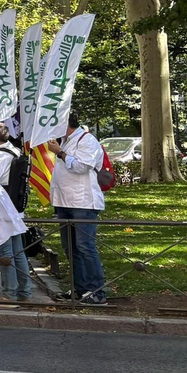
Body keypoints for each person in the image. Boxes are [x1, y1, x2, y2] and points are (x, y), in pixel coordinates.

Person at [50, 110, 107, 304]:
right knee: (70, 247)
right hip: (64, 201)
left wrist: (60, 153)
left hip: (83, 202)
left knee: (85, 246)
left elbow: (82, 166)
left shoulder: (87, 140)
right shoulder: (64, 140)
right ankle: (80, 288)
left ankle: (97, 291)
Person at [0, 122, 30, 301]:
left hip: (1, 211)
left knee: (6, 254)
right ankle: (24, 292)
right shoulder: (15, 151)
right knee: (18, 253)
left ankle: (9, 295)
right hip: (15, 210)